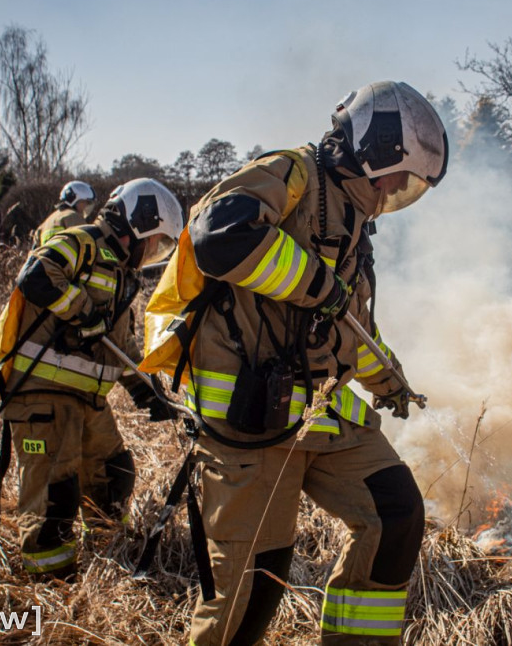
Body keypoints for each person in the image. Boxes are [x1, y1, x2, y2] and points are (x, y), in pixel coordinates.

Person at [176, 81, 448, 644]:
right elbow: (217, 236)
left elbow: (353, 328)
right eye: (401, 173)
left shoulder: (355, 223)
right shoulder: (292, 172)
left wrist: (391, 381)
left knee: (395, 515)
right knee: (253, 591)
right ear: (375, 148)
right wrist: (315, 283)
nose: (400, 189)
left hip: (322, 420)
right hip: (249, 423)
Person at [0, 178, 182, 579]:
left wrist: (149, 395)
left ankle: (108, 553)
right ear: (138, 223)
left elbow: (119, 347)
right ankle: (51, 585)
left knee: (115, 474)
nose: (154, 252)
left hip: (86, 399)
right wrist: (82, 311)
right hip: (42, 393)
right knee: (56, 498)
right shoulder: (83, 242)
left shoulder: (123, 277)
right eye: (156, 241)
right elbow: (38, 274)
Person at [33, 180, 98, 246]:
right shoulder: (73, 217)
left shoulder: (46, 222)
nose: (86, 206)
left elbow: (34, 253)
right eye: (84, 202)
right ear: (73, 200)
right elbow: (87, 245)